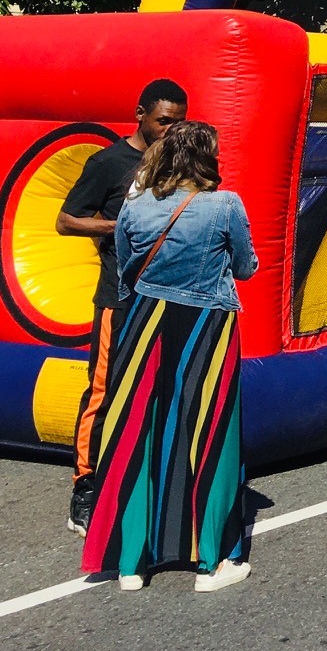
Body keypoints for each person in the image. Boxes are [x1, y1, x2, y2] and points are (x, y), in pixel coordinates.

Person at [81, 121, 258, 593]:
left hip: (143, 322)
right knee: (210, 433)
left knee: (136, 432)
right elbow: (245, 267)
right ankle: (214, 560)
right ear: (207, 158)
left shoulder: (135, 206)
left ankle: (131, 562)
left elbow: (123, 265)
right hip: (207, 325)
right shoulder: (225, 205)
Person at [56, 77, 188, 537]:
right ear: (141, 115)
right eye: (163, 122)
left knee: (162, 386)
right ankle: (86, 489)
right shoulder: (109, 162)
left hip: (168, 295)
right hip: (119, 296)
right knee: (103, 391)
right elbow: (67, 220)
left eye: (178, 122)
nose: (170, 131)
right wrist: (125, 223)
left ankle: (149, 480)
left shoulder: (180, 162)